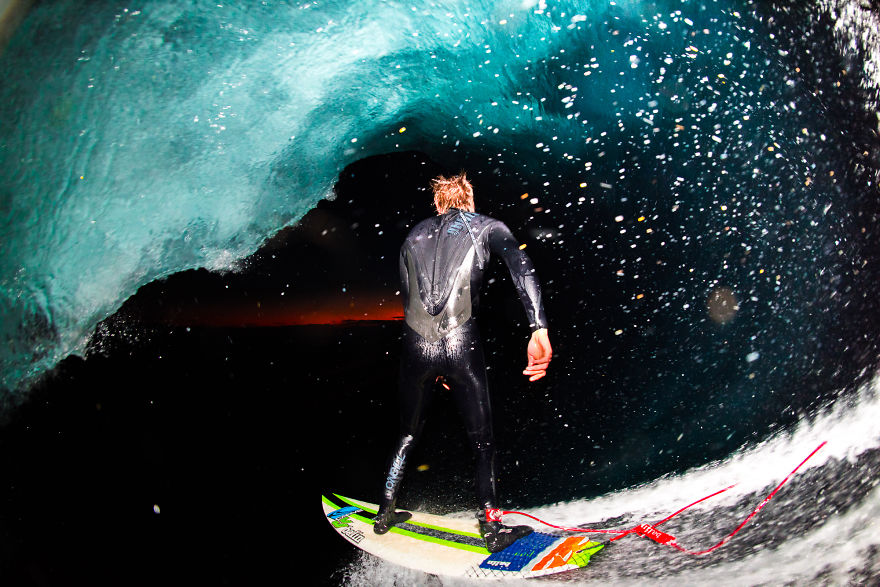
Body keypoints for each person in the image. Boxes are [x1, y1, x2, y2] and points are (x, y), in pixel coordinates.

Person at [372, 172, 552, 553]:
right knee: (483, 443)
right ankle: (490, 527)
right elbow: (522, 269)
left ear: (438, 204)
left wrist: (431, 361)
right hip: (461, 346)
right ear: (468, 200)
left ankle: (384, 514)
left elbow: (409, 301)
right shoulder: (488, 226)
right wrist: (538, 328)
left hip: (415, 349)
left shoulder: (412, 236)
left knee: (407, 435)